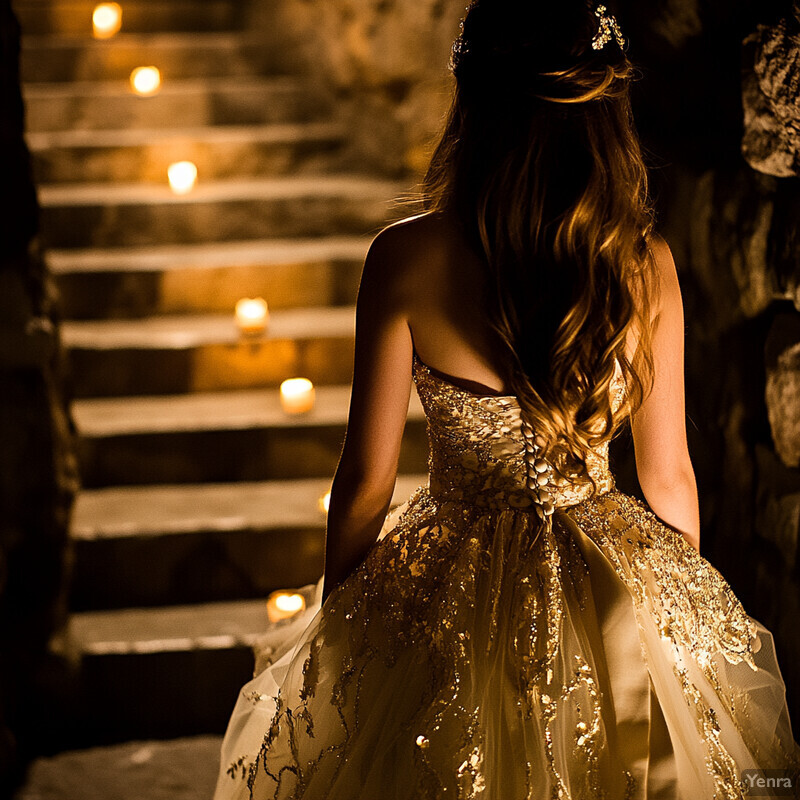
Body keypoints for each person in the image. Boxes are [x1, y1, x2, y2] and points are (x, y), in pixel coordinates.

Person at [214, 1, 800, 797]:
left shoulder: (405, 258)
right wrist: (681, 625)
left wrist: (344, 631)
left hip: (449, 589)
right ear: (605, 116)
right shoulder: (644, 265)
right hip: (611, 583)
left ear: (474, 108)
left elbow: (363, 484)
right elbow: (668, 479)